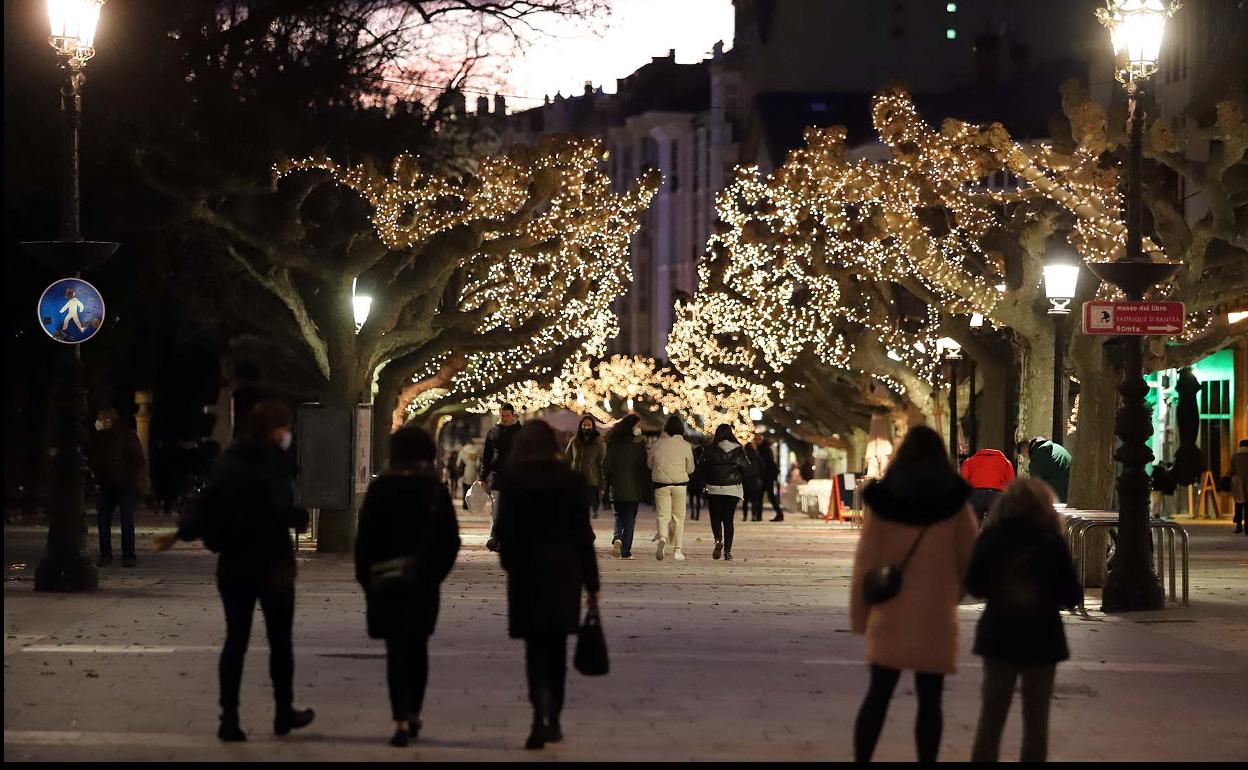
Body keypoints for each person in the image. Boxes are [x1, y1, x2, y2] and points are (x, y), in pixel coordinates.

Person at [153, 402, 315, 742]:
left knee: (235, 640)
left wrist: (180, 534)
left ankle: (229, 718)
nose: (289, 435)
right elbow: (278, 510)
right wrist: (297, 517)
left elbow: (208, 505)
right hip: (272, 562)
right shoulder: (274, 464)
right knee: (279, 641)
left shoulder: (227, 463)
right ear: (275, 431)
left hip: (234, 563)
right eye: (285, 428)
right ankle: (283, 712)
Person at [850, 425, 978, 763]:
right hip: (935, 615)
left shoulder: (883, 501)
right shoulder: (956, 504)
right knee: (930, 701)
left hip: (890, 612)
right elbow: (970, 562)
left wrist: (861, 616)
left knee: (877, 696)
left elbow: (865, 561)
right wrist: (953, 594)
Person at [494, 420, 601, 750]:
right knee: (556, 647)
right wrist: (592, 583)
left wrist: (511, 564)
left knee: (534, 648)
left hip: (527, 572)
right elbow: (583, 536)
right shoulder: (571, 481)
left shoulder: (513, 481)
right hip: (564, 572)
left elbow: (505, 532)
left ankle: (537, 709)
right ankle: (553, 715)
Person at [354, 425, 461, 747]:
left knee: (395, 650)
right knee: (417, 647)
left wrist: (366, 578)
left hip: (385, 579)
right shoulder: (434, 490)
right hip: (422, 581)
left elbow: (365, 539)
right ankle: (414, 710)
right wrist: (435, 574)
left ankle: (400, 717)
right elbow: (450, 540)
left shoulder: (380, 489)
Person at [968, 478, 1083, 763]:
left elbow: (974, 584)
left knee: (991, 717)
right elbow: (1070, 594)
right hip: (1042, 638)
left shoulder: (992, 538)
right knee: (1036, 721)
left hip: (999, 635)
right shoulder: (1051, 541)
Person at [88, 407, 147, 568]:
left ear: (108, 421)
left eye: (100, 419)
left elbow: (138, 461)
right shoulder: (99, 438)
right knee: (104, 521)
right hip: (106, 485)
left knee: (126, 520)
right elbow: (93, 459)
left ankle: (127, 555)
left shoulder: (126, 436)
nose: (98, 423)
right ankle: (107, 554)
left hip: (124, 486)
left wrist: (127, 478)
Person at [698, 424, 752, 561]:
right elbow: (747, 468)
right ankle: (728, 552)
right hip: (732, 489)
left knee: (715, 518)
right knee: (728, 520)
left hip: (714, 488)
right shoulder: (738, 449)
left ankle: (718, 540)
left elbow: (702, 467)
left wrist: (704, 482)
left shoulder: (711, 449)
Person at [602, 414, 650, 560]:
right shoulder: (639, 446)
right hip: (634, 487)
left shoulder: (613, 444)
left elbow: (606, 466)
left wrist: (608, 483)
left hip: (617, 487)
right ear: (632, 427)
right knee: (630, 518)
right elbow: (644, 467)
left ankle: (617, 538)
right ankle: (626, 550)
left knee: (619, 514)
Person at [649, 415, 695, 561]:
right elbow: (691, 468)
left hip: (661, 485)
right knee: (678, 518)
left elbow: (650, 464)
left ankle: (662, 537)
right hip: (680, 485)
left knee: (663, 515)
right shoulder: (686, 446)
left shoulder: (657, 444)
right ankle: (677, 550)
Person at [481, 404, 522, 552]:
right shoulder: (493, 432)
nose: (504, 418)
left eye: (507, 415)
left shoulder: (521, 432)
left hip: (516, 477)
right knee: (496, 507)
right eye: (502, 415)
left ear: (513, 416)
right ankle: (494, 537)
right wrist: (482, 477)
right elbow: (486, 456)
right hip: (496, 476)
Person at [960, 447, 1016, 524]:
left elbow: (963, 481)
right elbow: (1011, 482)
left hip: (976, 495)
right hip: (996, 495)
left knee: (975, 522)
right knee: (996, 522)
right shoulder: (1006, 462)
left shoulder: (970, 461)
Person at [565, 415, 606, 519]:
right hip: (576, 479)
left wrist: (602, 484)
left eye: (589, 425)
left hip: (591, 479)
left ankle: (587, 525)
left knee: (587, 506)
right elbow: (566, 458)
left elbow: (602, 462)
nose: (586, 427)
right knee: (578, 507)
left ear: (593, 426)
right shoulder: (574, 441)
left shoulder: (599, 442)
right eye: (584, 425)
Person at [1021, 437, 1072, 502]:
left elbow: (1034, 486)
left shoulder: (1037, 456)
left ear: (1025, 450)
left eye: (1024, 456)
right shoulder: (1055, 446)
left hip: (1059, 495)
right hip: (1071, 487)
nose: (1027, 459)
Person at [752, 433, 785, 521]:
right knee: (761, 496)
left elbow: (766, 463)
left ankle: (779, 514)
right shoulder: (763, 448)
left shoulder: (764, 449)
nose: (755, 442)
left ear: (761, 440)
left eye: (757, 440)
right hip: (765, 476)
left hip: (767, 476)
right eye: (755, 440)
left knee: (769, 497)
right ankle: (759, 517)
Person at [742, 439, 765, 522]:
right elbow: (762, 466)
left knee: (745, 499)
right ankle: (754, 515)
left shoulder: (744, 456)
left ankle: (745, 516)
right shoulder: (756, 454)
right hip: (755, 479)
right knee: (754, 500)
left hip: (746, 480)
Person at [456, 439, 482, 504]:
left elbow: (458, 463)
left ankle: (464, 504)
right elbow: (478, 464)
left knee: (465, 488)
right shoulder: (477, 452)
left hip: (465, 472)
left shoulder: (463, 451)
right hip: (474, 473)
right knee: (471, 489)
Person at [1231, 439, 1248, 535]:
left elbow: (1232, 469)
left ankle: (1238, 526)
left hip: (1237, 483)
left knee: (1238, 505)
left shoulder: (1235, 455)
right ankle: (1247, 527)